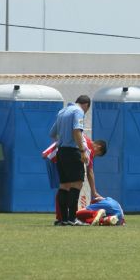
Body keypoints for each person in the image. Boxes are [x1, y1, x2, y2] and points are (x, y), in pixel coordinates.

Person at [42, 134, 107, 225]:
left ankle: (62, 218)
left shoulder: (83, 137)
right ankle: (69, 218)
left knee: (63, 187)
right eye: (97, 154)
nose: (94, 156)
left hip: (53, 155)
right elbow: (90, 171)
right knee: (70, 187)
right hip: (57, 157)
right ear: (98, 147)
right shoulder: (89, 148)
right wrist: (94, 191)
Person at [48, 95, 91, 225]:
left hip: (61, 152)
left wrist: (61, 141)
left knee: (64, 185)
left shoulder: (62, 111)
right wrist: (83, 150)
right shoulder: (78, 111)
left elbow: (52, 133)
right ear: (86, 105)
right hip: (73, 152)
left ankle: (63, 219)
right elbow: (77, 131)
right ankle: (72, 219)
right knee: (77, 184)